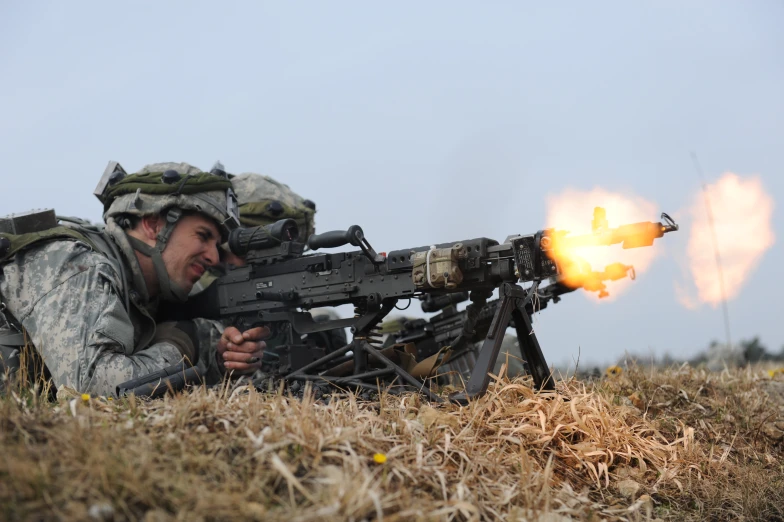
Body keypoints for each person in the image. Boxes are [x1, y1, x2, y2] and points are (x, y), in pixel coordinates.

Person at [0, 161, 268, 396]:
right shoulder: (78, 263)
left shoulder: (143, 290)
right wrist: (182, 346)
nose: (214, 257)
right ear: (153, 225)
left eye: (218, 244)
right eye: (203, 236)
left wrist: (221, 360)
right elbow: (91, 388)